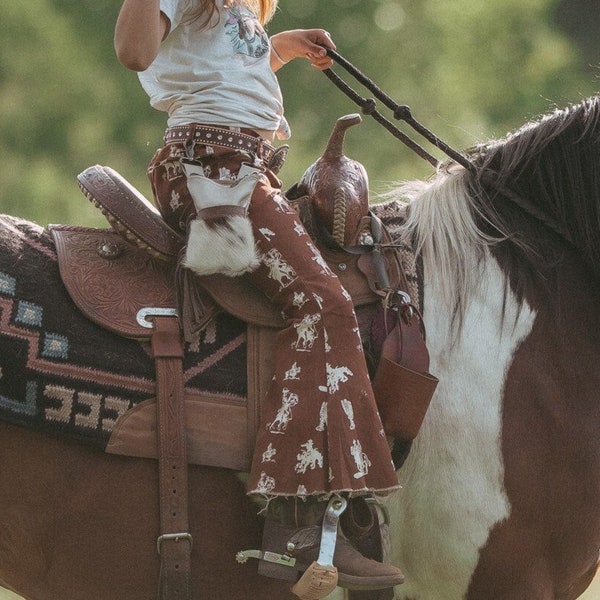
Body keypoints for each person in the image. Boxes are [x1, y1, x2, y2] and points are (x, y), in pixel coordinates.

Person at [114, 0, 404, 594]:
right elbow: (135, 51)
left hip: (240, 168)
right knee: (324, 307)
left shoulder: (238, 10)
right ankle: (295, 528)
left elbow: (222, 67)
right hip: (214, 168)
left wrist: (283, 47)